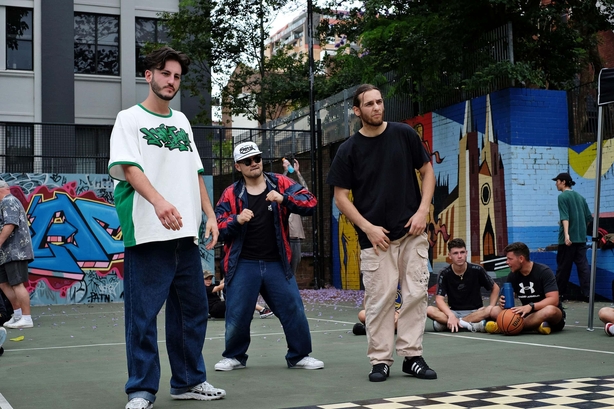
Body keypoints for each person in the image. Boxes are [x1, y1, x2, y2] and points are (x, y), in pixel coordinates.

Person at [108, 46, 225, 409]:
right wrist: (159, 202)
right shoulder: (129, 119)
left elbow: (195, 172)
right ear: (149, 75)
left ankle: (188, 381)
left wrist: (210, 214)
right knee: (142, 318)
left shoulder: (182, 122)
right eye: (165, 74)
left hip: (185, 237)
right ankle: (141, 389)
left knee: (192, 312)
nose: (171, 81)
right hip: (147, 233)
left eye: (176, 76)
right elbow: (130, 169)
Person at [326, 84, 437, 383]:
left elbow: (427, 171)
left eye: (379, 102)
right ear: (357, 110)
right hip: (375, 240)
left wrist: (422, 211)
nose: (377, 107)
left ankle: (412, 357)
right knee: (379, 301)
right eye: (369, 104)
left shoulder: (404, 134)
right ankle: (380, 361)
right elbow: (340, 197)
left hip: (412, 232)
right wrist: (368, 228)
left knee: (415, 295)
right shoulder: (348, 150)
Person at [214, 141, 323, 371]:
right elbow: (218, 226)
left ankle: (299, 355)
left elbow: (310, 202)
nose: (254, 164)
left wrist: (284, 199)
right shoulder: (231, 193)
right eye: (247, 161)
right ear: (238, 166)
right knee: (237, 313)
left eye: (257, 158)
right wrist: (236, 220)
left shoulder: (279, 182)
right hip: (243, 262)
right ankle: (234, 356)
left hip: (276, 262)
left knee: (293, 308)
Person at [487, 242, 565, 335]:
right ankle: (535, 326)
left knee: (550, 310)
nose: (507, 262)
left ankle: (503, 327)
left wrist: (531, 306)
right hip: (526, 314)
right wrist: (503, 302)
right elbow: (508, 303)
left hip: (547, 314)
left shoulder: (544, 271)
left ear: (521, 259)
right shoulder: (512, 276)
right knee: (494, 310)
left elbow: (554, 300)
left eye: (509, 259)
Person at [427, 238, 499, 333]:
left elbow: (495, 288)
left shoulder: (477, 269)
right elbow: (439, 299)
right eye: (455, 253)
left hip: (476, 312)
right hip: (454, 312)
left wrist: (491, 306)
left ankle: (451, 324)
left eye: (462, 252)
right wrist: (451, 315)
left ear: (466, 253)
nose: (459, 256)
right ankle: (468, 324)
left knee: (494, 310)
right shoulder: (444, 273)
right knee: (429, 310)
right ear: (450, 256)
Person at [0, 181, 35, 329]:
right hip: (6, 253)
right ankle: (18, 314)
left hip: (16, 251)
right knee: (4, 283)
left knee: (16, 283)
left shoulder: (9, 201)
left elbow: (10, 224)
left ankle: (26, 318)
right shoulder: (4, 203)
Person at [552, 172, 592, 302]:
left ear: (563, 182)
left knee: (563, 268)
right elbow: (588, 218)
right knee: (583, 267)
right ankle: (588, 294)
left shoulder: (562, 197)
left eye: (557, 181)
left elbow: (565, 216)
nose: (556, 184)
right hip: (581, 239)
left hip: (567, 240)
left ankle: (559, 295)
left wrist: (567, 235)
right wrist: (581, 231)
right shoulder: (580, 197)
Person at [203, 271, 273, 319]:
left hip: (220, 308)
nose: (209, 280)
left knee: (241, 302)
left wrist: (230, 273)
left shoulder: (211, 285)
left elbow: (221, 282)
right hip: (214, 309)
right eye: (206, 279)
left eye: (210, 279)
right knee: (237, 299)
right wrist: (233, 281)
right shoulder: (203, 288)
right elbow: (219, 287)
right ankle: (262, 310)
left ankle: (262, 310)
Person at [282, 158, 307, 275]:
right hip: (283, 238)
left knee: (293, 269)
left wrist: (297, 172)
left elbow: (306, 193)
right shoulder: (280, 200)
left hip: (295, 238)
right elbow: (278, 187)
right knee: (283, 268)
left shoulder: (297, 200)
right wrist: (286, 171)